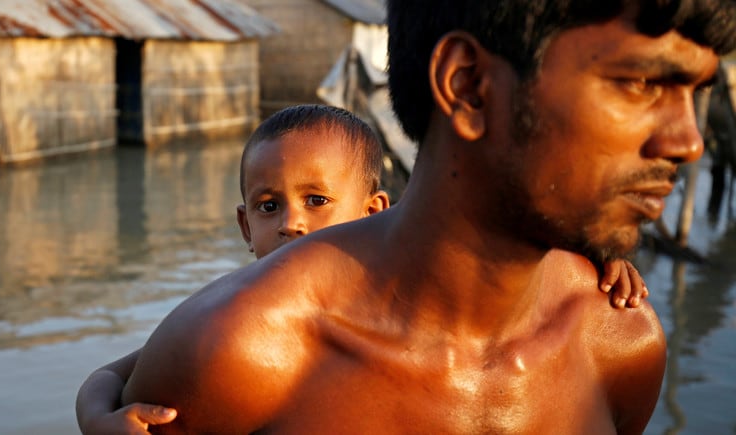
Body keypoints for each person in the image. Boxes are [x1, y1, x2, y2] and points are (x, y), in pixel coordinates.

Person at [116, 1, 736, 433]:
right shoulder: (240, 353)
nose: (688, 142)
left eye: (694, 92)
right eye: (637, 82)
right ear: (467, 86)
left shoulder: (622, 345)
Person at [76, 104, 651, 433]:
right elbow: (115, 373)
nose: (292, 223)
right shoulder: (236, 324)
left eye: (317, 201)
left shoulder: (609, 325)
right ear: (246, 227)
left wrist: (604, 258)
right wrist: (95, 416)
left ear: (376, 211)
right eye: (269, 207)